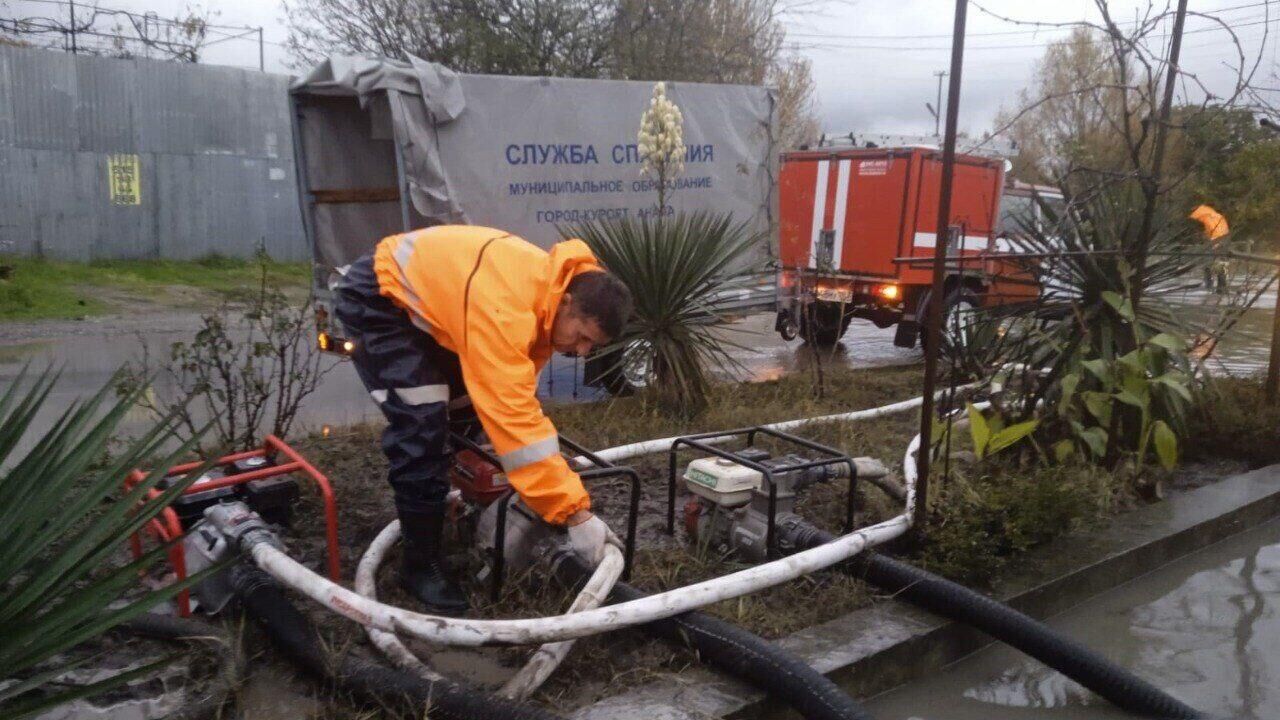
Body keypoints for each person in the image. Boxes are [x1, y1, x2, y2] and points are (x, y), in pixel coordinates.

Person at [333, 225, 633, 615]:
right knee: (423, 423)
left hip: (426, 306)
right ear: (568, 303)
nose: (580, 351)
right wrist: (574, 512)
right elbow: (516, 419)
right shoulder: (509, 309)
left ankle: (457, 511)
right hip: (381, 299)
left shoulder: (546, 294)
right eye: (581, 336)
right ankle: (419, 565)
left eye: (592, 346)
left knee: (466, 412)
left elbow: (513, 400)